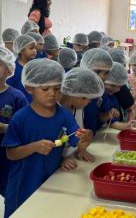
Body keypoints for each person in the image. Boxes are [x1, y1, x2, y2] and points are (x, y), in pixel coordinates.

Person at [2, 59, 91, 217]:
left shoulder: (64, 115)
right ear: (29, 88)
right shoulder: (20, 118)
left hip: (51, 182)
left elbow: (76, 141)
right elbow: (11, 153)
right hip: (23, 186)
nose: (52, 93)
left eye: (57, 88)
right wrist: (33, 147)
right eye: (45, 89)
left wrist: (85, 138)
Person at [59, 67, 105, 166]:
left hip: (71, 160)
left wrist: (82, 147)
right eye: (87, 99)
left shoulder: (78, 108)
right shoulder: (54, 112)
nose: (89, 102)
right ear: (76, 95)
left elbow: (74, 138)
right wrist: (60, 160)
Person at [0, 47, 28, 198]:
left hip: (7, 155)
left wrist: (5, 128)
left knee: (8, 190)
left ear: (9, 69)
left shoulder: (16, 97)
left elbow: (25, 127)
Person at [80, 48, 113, 135]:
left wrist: (108, 114)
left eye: (106, 73)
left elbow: (100, 116)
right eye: (97, 71)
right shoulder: (75, 90)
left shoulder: (101, 92)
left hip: (92, 136)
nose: (102, 76)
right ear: (85, 67)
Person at [104, 62, 136, 130]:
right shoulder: (102, 97)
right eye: (112, 85)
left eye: (119, 87)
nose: (116, 89)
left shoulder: (113, 97)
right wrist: (125, 126)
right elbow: (109, 121)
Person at [7, 34, 37, 101]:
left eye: (35, 48)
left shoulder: (36, 66)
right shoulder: (13, 69)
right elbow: (10, 90)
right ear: (21, 50)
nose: (35, 50)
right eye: (31, 48)